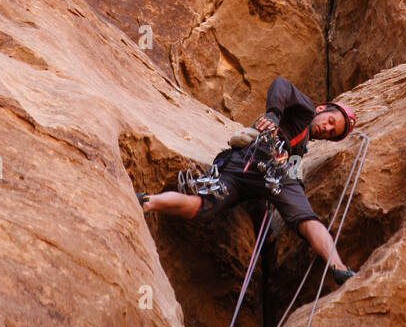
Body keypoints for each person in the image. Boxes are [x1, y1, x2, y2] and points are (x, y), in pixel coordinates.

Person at [142, 75, 357, 285]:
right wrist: (273, 114)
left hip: (248, 169)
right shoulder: (306, 110)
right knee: (305, 218)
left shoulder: (300, 149)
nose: (326, 129)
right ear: (322, 109)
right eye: (330, 121)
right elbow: (281, 84)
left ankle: (148, 202)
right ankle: (338, 267)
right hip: (258, 157)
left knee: (205, 206)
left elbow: (291, 170)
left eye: (331, 132)